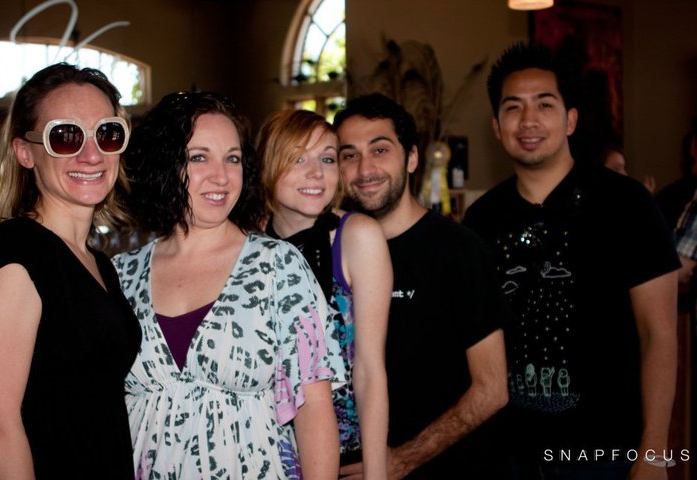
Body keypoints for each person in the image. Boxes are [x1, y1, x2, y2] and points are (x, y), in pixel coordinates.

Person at [462, 42, 680, 479]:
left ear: (571, 119)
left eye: (544, 104)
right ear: (496, 125)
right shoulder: (481, 219)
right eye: (513, 107)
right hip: (508, 455)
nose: (528, 121)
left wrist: (653, 452)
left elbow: (658, 336)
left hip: (604, 455)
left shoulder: (627, 204)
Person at [112, 91, 345, 479]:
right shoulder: (122, 274)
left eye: (232, 158)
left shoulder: (278, 267)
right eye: (198, 157)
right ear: (165, 163)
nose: (220, 176)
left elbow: (314, 408)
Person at [333, 93, 509, 479]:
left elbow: (492, 389)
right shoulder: (330, 250)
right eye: (349, 155)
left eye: (380, 149)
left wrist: (400, 460)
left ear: (412, 158)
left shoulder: (460, 251)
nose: (365, 168)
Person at [0, 63, 140, 478]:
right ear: (25, 151)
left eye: (107, 133)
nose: (92, 154)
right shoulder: (16, 253)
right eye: (65, 136)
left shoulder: (98, 262)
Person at [256, 109, 391, 477]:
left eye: (327, 159)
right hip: (266, 459)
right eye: (298, 158)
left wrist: (376, 474)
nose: (316, 172)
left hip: (347, 461)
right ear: (268, 165)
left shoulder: (356, 236)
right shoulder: (245, 244)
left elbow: (369, 370)